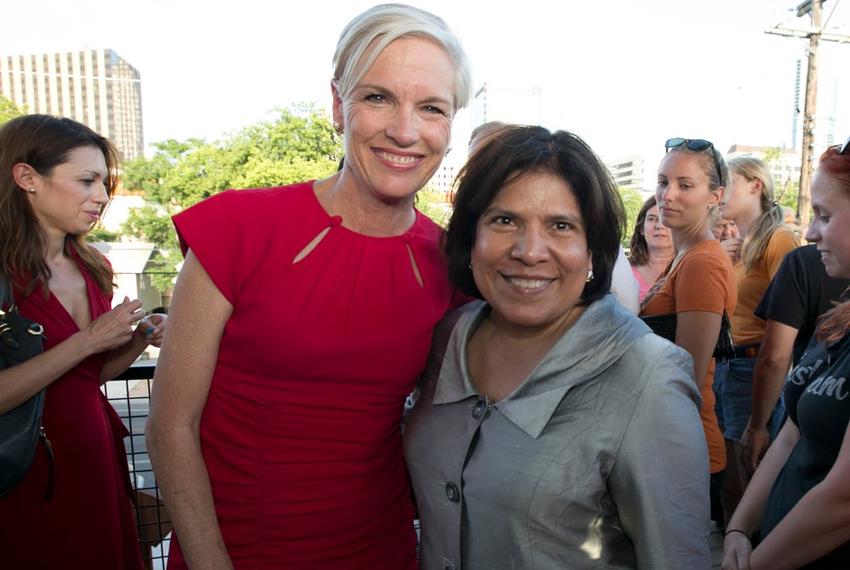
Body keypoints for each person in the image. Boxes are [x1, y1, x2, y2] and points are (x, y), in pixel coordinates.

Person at [146, 4, 471, 568]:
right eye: (378, 97)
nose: (405, 130)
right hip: (234, 553)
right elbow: (171, 426)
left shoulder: (451, 265)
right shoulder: (238, 228)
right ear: (338, 105)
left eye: (431, 108)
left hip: (383, 551)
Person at [405, 125, 711, 569]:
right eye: (504, 220)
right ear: (471, 237)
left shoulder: (648, 374)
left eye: (561, 226)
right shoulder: (447, 337)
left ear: (593, 251)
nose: (530, 251)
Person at [0, 115, 166, 568]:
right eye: (87, 180)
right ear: (26, 178)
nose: (102, 196)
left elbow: (87, 377)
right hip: (25, 473)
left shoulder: (93, 266)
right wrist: (89, 339)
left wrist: (133, 341)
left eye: (104, 182)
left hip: (94, 458)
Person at [722, 137, 850, 569]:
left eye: (824, 216)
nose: (811, 233)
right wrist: (740, 527)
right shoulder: (839, 320)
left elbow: (842, 500)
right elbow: (792, 430)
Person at [640, 137, 737, 528]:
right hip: (673, 442)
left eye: (685, 184)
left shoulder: (702, 262)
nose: (668, 195)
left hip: (685, 447)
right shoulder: (687, 256)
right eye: (663, 182)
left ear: (715, 196)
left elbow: (688, 377)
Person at [714, 157, 799, 521]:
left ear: (755, 185)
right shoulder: (738, 242)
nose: (720, 194)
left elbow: (795, 313)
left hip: (753, 367)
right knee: (731, 477)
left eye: (728, 183)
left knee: (747, 476)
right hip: (727, 365)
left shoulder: (779, 239)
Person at [740, 243, 850, 473]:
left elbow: (775, 357)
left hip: (806, 436)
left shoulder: (801, 260)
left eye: (826, 216)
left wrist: (757, 426)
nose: (812, 233)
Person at [629, 195, 674, 302]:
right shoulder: (624, 271)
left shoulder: (689, 267)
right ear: (641, 229)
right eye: (652, 219)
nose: (659, 226)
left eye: (666, 219)